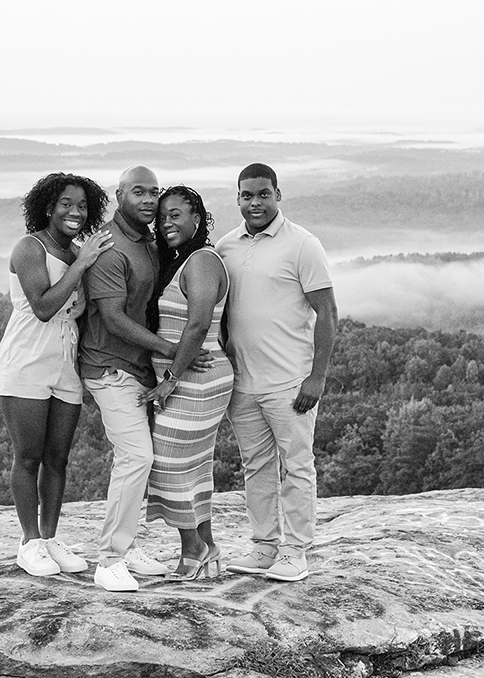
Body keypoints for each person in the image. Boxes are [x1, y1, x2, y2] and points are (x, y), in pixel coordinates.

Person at [80, 166, 207, 592]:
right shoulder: (110, 249)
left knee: (151, 459)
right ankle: (109, 560)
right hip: (110, 368)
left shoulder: (150, 243)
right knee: (136, 457)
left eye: (154, 191)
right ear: (119, 196)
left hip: (140, 369)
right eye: (139, 192)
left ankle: (130, 546)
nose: (149, 199)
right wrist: (176, 352)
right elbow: (113, 318)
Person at [217, 163, 338, 582]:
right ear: (237, 198)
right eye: (247, 195)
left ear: (277, 195)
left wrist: (317, 376)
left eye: (263, 194)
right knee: (256, 466)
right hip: (242, 382)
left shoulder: (303, 245)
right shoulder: (225, 247)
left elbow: (328, 313)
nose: (255, 202)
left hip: (290, 382)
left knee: (298, 465)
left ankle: (296, 551)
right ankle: (264, 546)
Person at [0, 172, 112, 577]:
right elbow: (43, 306)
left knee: (58, 458)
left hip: (65, 364)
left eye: (81, 205)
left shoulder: (79, 252)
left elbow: (85, 308)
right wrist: (81, 265)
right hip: (26, 362)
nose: (74, 212)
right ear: (47, 206)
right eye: (65, 203)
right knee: (28, 456)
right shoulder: (30, 248)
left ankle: (49, 536)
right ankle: (29, 542)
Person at [140, 186, 233, 580]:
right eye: (162, 218)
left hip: (196, 380)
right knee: (195, 466)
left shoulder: (202, 260)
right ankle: (206, 545)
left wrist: (169, 381)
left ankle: (192, 546)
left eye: (175, 215)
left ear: (198, 217)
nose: (166, 224)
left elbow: (197, 324)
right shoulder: (181, 261)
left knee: (166, 462)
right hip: (192, 378)